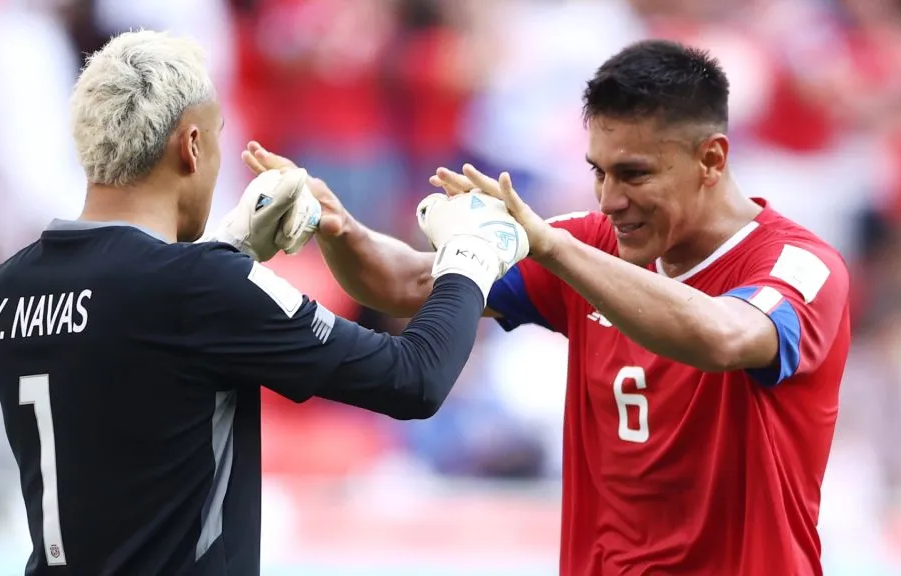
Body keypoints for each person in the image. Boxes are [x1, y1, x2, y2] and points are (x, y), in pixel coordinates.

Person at [241, 39, 852, 576]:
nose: (610, 200)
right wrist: (338, 227)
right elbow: (403, 283)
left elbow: (723, 335)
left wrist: (555, 248)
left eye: (633, 174)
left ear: (712, 159)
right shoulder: (585, 245)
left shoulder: (800, 267)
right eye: (598, 172)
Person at [0, 30, 528, 576]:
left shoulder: (4, 289)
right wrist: (470, 258)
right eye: (217, 136)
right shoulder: (197, 287)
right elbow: (414, 379)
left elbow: (137, 373)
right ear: (192, 146)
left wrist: (231, 251)